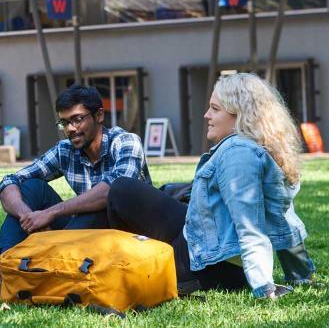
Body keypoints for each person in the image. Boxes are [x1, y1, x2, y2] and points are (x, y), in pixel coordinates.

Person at [107, 73, 317, 299]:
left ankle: (123, 262)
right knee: (142, 193)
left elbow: (250, 227)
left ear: (240, 115)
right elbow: (285, 220)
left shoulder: (238, 154)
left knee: (122, 190)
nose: (207, 115)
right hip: (215, 251)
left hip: (206, 266)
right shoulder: (260, 148)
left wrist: (264, 288)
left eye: (215, 109)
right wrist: (300, 275)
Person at [0, 84, 150, 254]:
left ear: (99, 115)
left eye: (77, 119)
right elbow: (10, 180)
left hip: (132, 235)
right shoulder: (65, 150)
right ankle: (3, 262)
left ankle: (56, 255)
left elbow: (113, 191)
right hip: (88, 233)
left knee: (97, 208)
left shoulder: (126, 142)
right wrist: (28, 217)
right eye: (64, 122)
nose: (70, 128)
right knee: (32, 188)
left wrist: (50, 213)